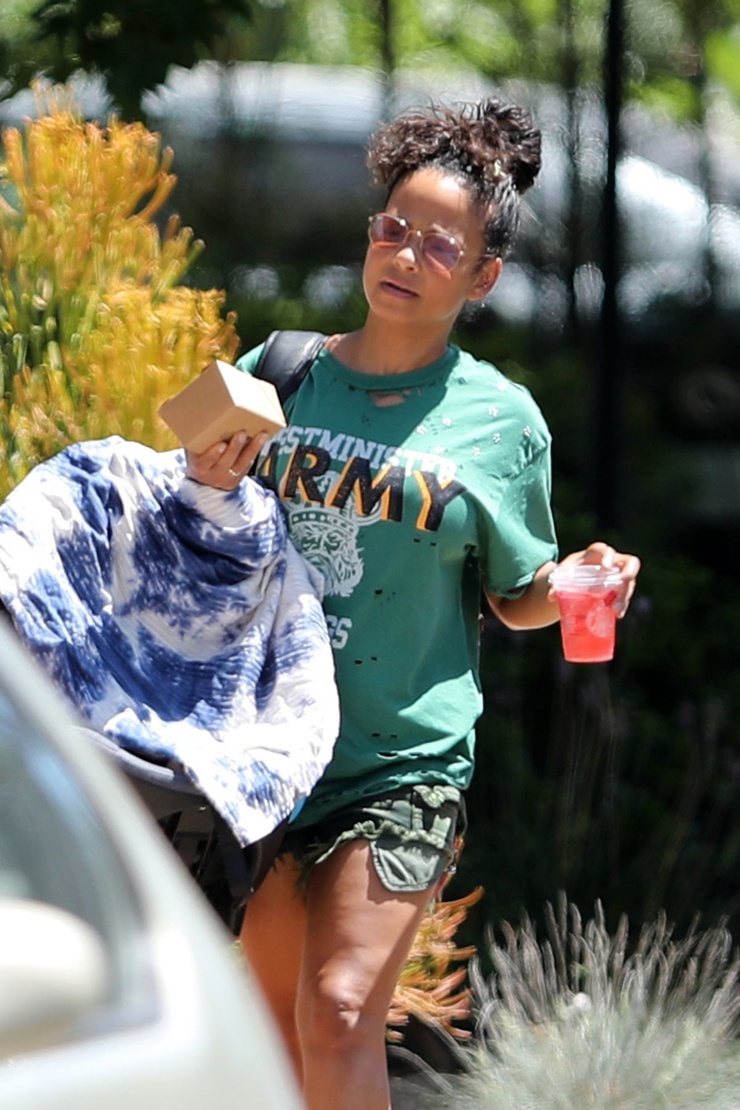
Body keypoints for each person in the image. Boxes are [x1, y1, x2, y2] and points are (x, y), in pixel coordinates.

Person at [186, 96, 641, 1110]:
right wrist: (203, 479)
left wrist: (577, 583)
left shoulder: (500, 422)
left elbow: (516, 597)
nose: (405, 255)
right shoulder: (279, 373)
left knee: (341, 1008)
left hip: (401, 767)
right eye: (393, 228)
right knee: (273, 1027)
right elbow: (191, 531)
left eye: (441, 246)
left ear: (482, 277)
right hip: (267, 750)